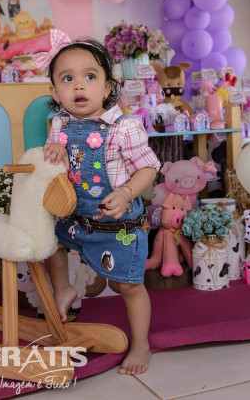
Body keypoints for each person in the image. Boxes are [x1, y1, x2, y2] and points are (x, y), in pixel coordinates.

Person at [32, 30, 160, 375]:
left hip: (117, 222)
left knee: (127, 285)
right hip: (76, 217)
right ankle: (63, 290)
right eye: (67, 79)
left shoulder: (124, 127)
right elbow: (58, 165)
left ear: (106, 88)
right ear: (55, 92)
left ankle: (141, 344)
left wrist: (127, 193)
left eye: (89, 77)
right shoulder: (59, 123)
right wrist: (54, 152)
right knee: (52, 242)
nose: (79, 86)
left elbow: (149, 168)